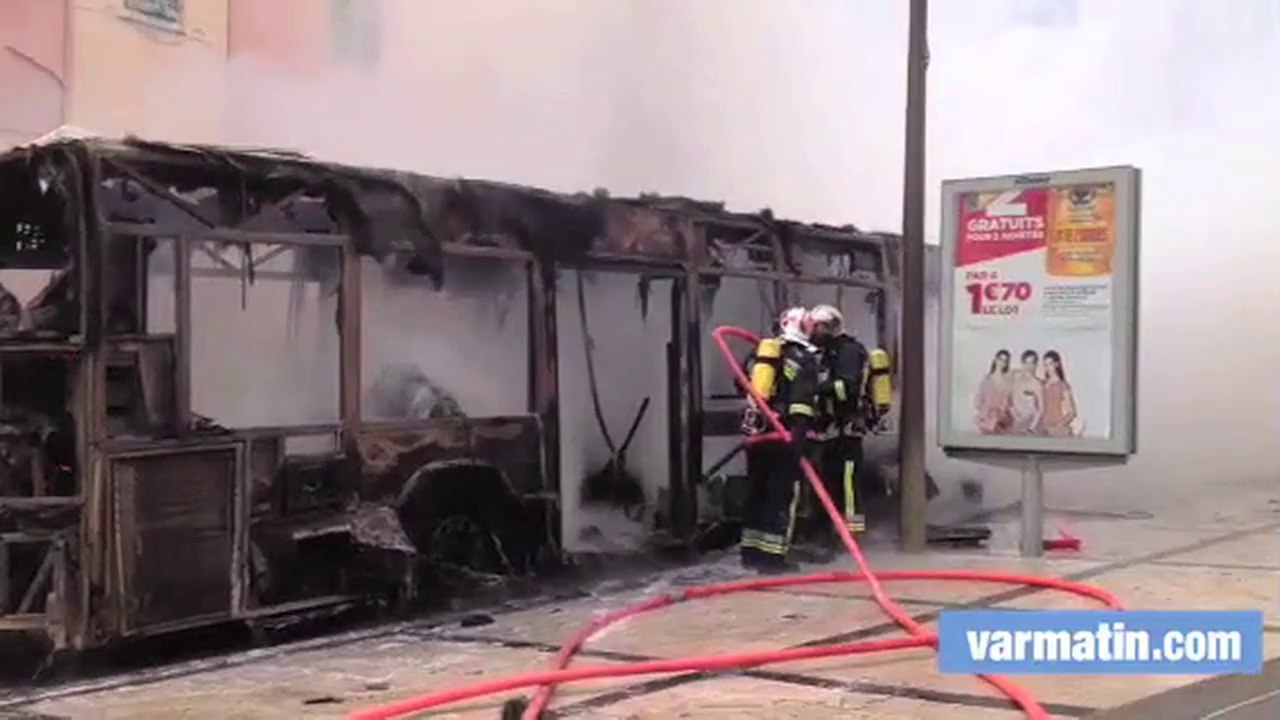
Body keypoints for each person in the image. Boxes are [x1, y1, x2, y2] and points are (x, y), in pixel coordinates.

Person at [739, 306, 820, 573]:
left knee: (756, 492)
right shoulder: (803, 358)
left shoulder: (761, 352)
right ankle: (774, 559)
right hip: (784, 435)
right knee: (782, 496)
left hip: (757, 432)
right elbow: (802, 403)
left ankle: (750, 553)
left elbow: (739, 381)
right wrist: (798, 437)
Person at [805, 304, 874, 545]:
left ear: (831, 327)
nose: (814, 333)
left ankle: (852, 537)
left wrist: (816, 389)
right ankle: (829, 533)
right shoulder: (829, 352)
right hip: (831, 430)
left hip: (847, 429)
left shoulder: (848, 351)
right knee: (829, 481)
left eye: (818, 327)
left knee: (847, 483)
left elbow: (847, 388)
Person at [1037, 350, 1077, 437]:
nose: (1048, 368)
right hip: (1042, 428)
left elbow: (1072, 412)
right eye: (1045, 365)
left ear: (1056, 364)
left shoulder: (1063, 386)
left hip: (1056, 428)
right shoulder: (1042, 384)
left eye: (1050, 364)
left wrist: (1059, 426)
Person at [974, 349, 1013, 434]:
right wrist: (984, 414)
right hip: (986, 420)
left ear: (1006, 364)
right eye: (1000, 359)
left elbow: (1010, 402)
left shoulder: (1008, 381)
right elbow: (978, 400)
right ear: (995, 360)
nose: (1001, 363)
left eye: (1004, 361)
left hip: (1001, 421)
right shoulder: (987, 380)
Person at [1007, 350, 1044, 435]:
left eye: (1031, 363)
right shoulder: (1015, 377)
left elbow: (1041, 409)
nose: (1028, 366)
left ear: (1035, 365)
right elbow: (1008, 398)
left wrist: (1031, 428)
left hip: (1030, 425)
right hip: (1015, 423)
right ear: (1022, 363)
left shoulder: (1037, 384)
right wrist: (1013, 412)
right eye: (1026, 363)